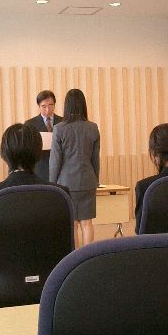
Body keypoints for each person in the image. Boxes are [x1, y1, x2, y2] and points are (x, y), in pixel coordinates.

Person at [0, 124, 69, 266]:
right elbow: (66, 248)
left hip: (1, 279)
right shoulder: (60, 195)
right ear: (39, 153)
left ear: (4, 154)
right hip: (51, 278)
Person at [49, 89, 100, 247]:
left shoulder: (59, 128)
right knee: (87, 223)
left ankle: (75, 258)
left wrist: (52, 184)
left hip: (66, 183)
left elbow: (55, 161)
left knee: (73, 224)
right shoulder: (93, 127)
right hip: (88, 180)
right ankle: (88, 257)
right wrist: (96, 180)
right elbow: (95, 159)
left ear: (67, 105)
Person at [25, 90, 63, 181]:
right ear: (39, 106)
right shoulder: (30, 124)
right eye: (44, 106)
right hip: (40, 167)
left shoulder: (63, 122)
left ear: (55, 104)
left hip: (61, 168)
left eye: (50, 105)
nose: (47, 109)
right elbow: (27, 148)